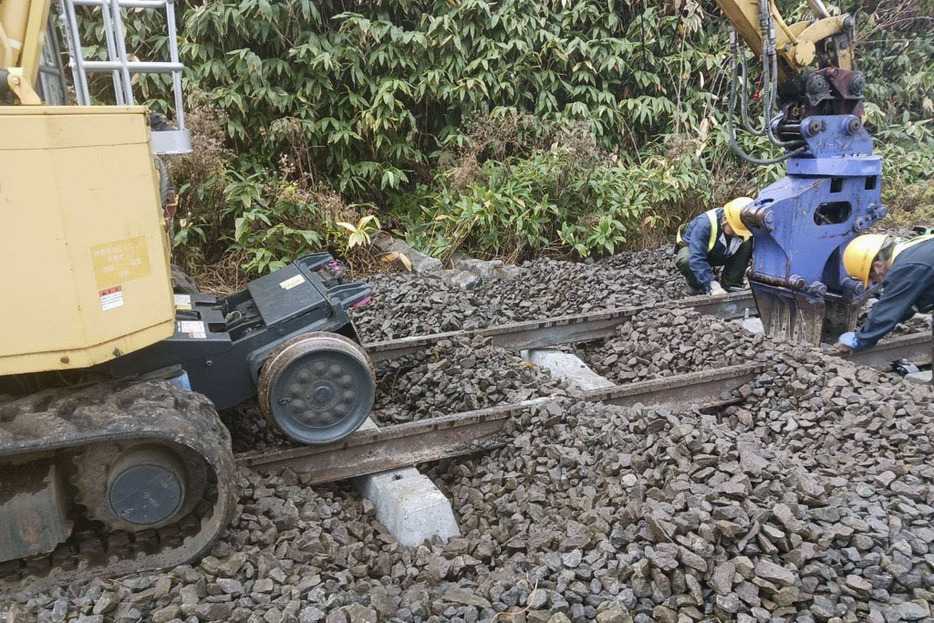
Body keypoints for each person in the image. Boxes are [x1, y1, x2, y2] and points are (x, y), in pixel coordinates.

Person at [835, 232, 934, 352]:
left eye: (874, 279)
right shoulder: (913, 249)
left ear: (878, 266)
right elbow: (909, 302)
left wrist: (860, 339)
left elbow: (889, 307)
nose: (878, 282)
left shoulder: (906, 268)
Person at [674, 197, 754, 296]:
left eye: (740, 232)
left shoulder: (746, 226)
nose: (737, 235)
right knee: (686, 258)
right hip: (699, 253)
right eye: (734, 230)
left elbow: (759, 252)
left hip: (723, 252)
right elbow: (697, 258)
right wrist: (711, 284)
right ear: (725, 219)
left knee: (746, 245)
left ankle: (731, 284)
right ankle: (696, 286)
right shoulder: (704, 225)